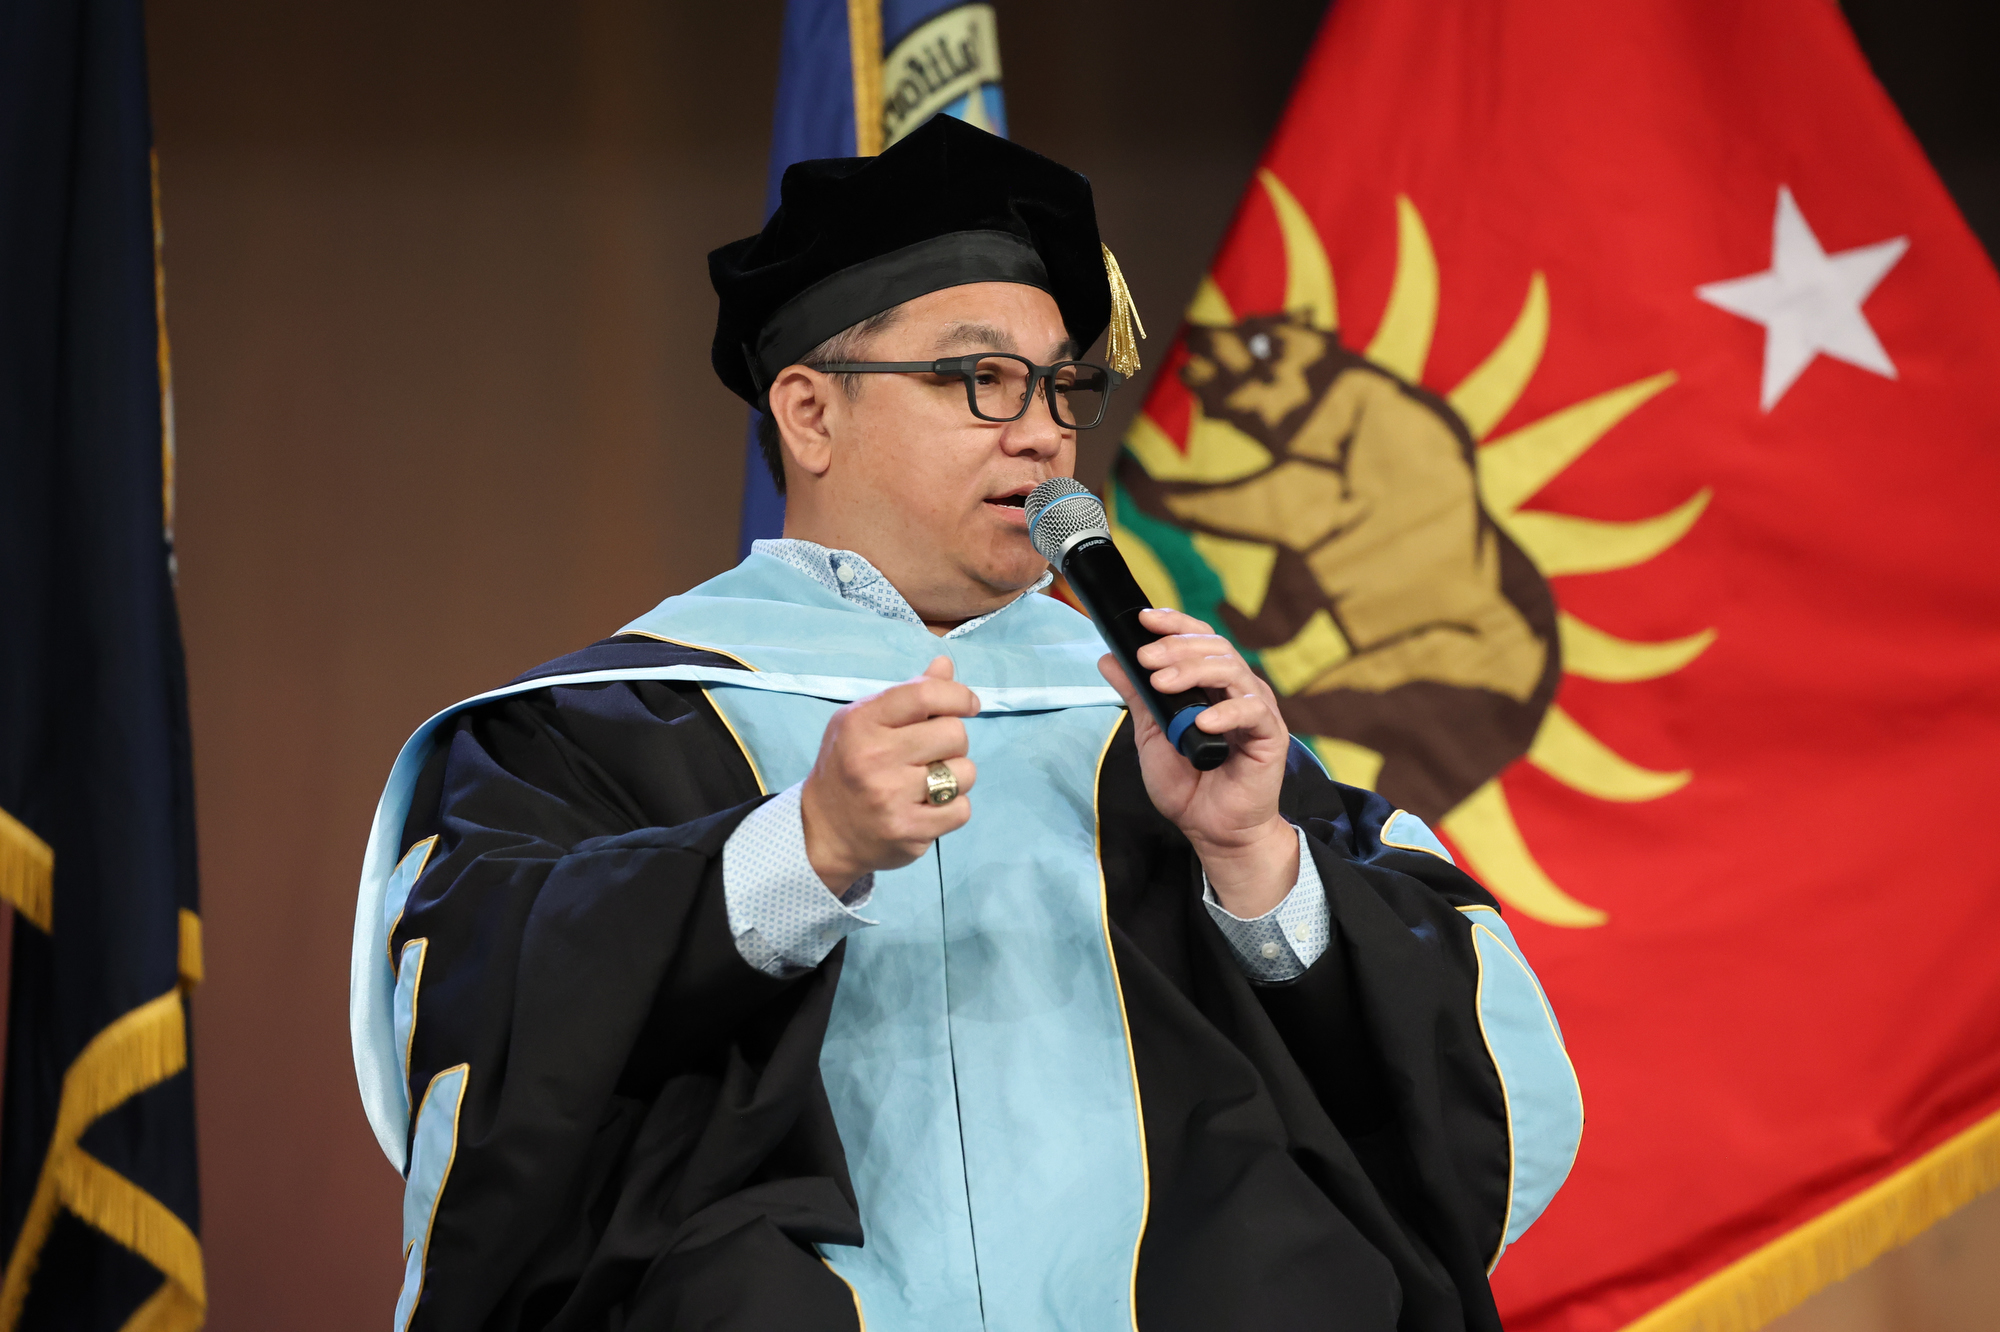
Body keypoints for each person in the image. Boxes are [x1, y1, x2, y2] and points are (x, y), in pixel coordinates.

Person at [349, 114, 1582, 1332]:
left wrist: (1257, 867)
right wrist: (802, 852)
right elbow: (478, 1024)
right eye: (980, 378)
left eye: (1062, 386)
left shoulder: (1164, 722)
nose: (1043, 431)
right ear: (808, 413)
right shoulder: (600, 727)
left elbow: (1479, 1094)